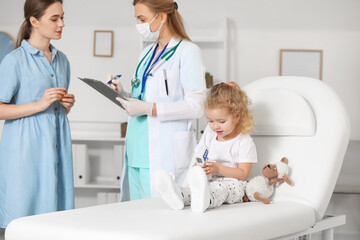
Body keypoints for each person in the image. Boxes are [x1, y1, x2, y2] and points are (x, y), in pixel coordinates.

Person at [108, 0, 206, 201]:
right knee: (137, 217)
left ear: (161, 17)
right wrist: (123, 93)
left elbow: (196, 107)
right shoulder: (146, 53)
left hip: (165, 152)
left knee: (158, 219)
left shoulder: (187, 51)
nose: (138, 25)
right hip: (136, 149)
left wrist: (150, 108)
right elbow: (142, 99)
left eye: (142, 19)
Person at [0, 0, 75, 228]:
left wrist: (66, 105)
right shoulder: (14, 61)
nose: (61, 23)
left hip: (57, 145)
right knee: (24, 219)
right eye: (54, 18)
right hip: (25, 151)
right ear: (34, 21)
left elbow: (55, 108)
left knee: (56, 220)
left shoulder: (62, 60)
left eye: (62, 17)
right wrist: (39, 104)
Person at [154, 82, 257, 213]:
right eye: (211, 121)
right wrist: (199, 167)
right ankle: (179, 195)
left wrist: (218, 168)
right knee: (195, 188)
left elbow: (243, 174)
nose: (215, 126)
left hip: (234, 185)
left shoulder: (244, 142)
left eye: (221, 121)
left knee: (219, 190)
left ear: (237, 115)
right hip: (210, 181)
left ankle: (205, 200)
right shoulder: (209, 137)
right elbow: (200, 159)